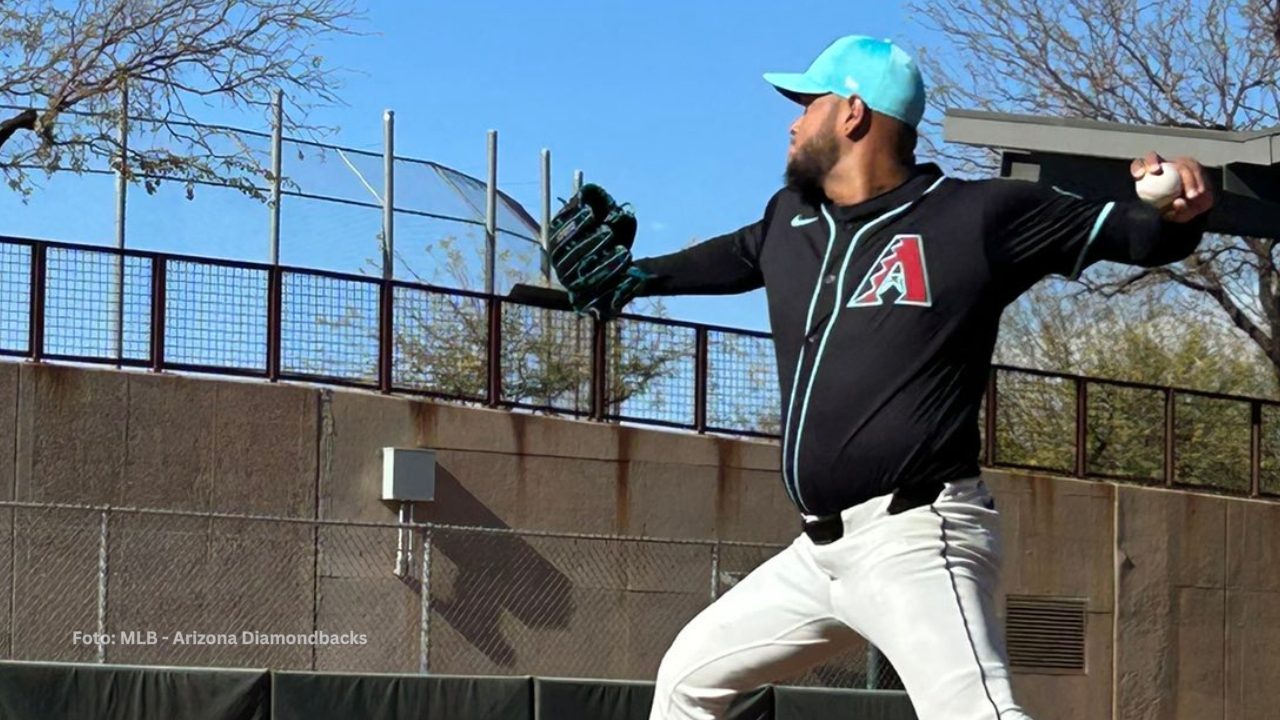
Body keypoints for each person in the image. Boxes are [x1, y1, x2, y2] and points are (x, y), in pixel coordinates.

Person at [551, 34, 1213, 720]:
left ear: (853, 115)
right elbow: (724, 259)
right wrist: (633, 278)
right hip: (818, 558)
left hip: (919, 536)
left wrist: (1181, 206)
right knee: (688, 680)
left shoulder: (978, 214)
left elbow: (1138, 234)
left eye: (808, 103)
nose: (793, 120)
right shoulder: (791, 221)